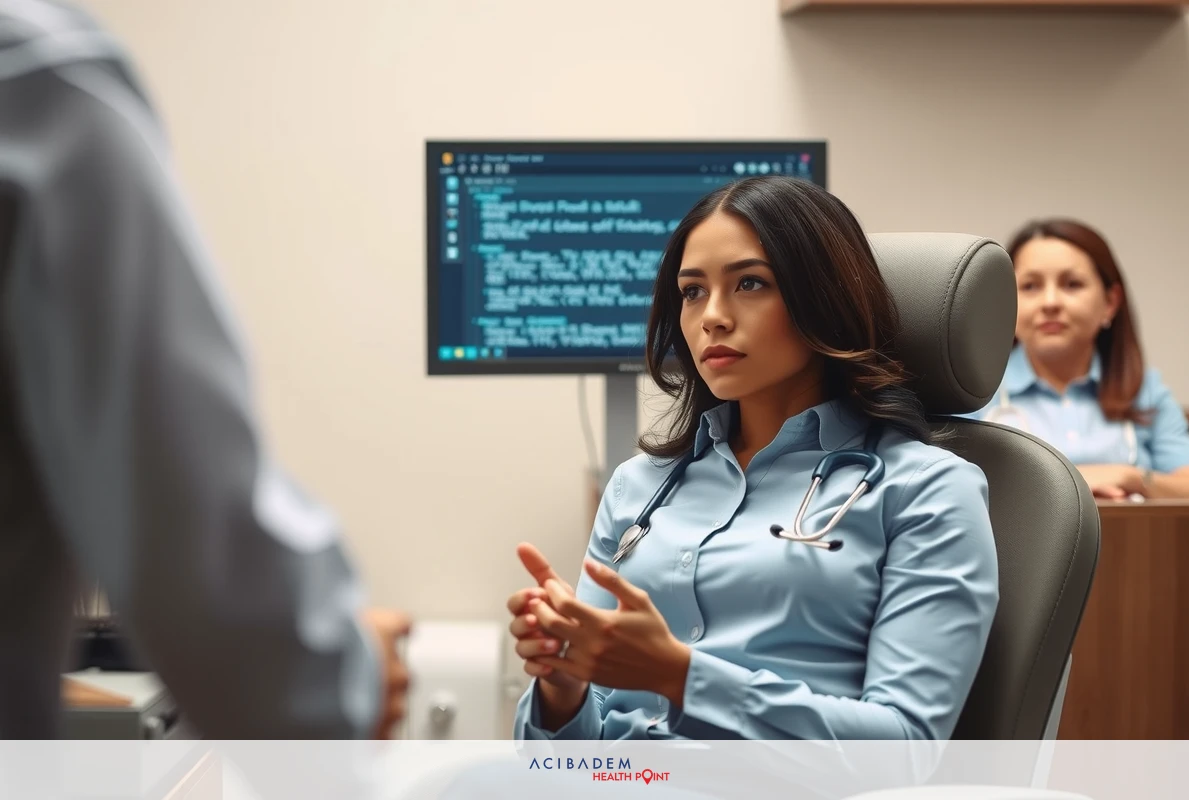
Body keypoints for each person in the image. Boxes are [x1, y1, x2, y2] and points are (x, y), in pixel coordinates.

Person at [0, 0, 408, 738]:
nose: (695, 317)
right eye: (686, 290)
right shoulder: (32, 73)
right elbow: (181, 508)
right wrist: (344, 677)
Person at [504, 175, 1000, 741]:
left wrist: (681, 676)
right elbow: (560, 765)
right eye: (692, 292)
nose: (712, 315)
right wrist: (561, 683)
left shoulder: (928, 490)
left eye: (750, 283)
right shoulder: (637, 487)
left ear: (824, 297)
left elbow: (905, 746)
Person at [969, 218, 1189, 500]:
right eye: (1030, 286)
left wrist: (1133, 478)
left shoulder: (1144, 389)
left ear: (1110, 302)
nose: (1050, 302)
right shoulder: (972, 390)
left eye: (1072, 284)